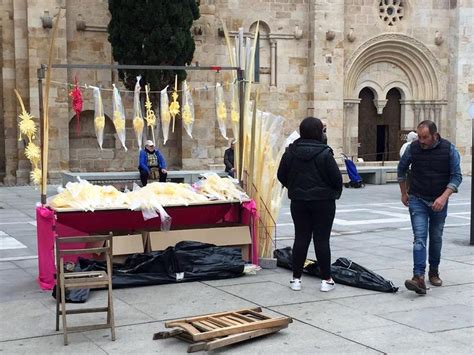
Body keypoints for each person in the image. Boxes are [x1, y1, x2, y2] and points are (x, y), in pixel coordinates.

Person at [277, 117, 343, 292]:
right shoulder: (324, 153)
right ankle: (326, 280)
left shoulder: (291, 152)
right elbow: (337, 179)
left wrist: (294, 187)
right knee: (322, 239)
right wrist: (332, 192)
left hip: (299, 201)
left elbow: (281, 175)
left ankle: (296, 279)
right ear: (319, 132)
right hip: (323, 202)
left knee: (301, 237)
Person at [397, 120, 462, 295]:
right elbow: (401, 170)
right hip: (418, 197)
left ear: (435, 135)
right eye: (419, 137)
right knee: (419, 237)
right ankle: (418, 276)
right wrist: (404, 193)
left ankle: (434, 271)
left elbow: (457, 177)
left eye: (425, 137)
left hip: (439, 200)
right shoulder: (413, 148)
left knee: (436, 236)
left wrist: (443, 197)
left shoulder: (449, 149)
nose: (422, 141)